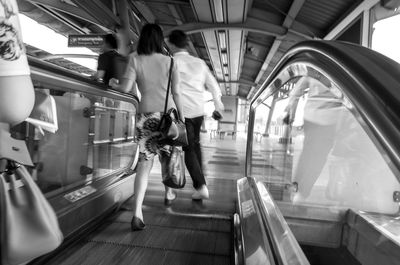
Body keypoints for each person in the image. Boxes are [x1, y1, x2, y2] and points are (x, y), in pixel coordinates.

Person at [110, 24, 183, 231]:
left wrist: (114, 83)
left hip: (145, 117)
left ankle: (137, 213)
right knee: (169, 158)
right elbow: (177, 93)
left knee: (144, 164)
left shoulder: (135, 58)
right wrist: (183, 119)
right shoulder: (170, 61)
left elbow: (125, 88)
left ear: (142, 38)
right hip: (168, 117)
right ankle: (169, 193)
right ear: (160, 40)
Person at [167, 30, 224, 200]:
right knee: (194, 146)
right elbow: (214, 86)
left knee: (188, 149)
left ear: (171, 44)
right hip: (199, 111)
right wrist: (218, 107)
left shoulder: (172, 61)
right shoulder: (199, 63)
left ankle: (200, 186)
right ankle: (200, 184)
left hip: (180, 111)